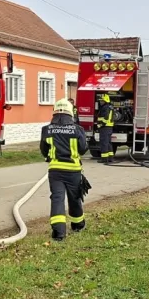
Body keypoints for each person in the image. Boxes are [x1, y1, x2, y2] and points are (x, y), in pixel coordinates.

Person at [40, 98, 88, 241]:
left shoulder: (47, 129)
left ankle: (59, 232)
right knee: (74, 198)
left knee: (57, 199)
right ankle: (78, 224)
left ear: (54, 112)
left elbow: (44, 150)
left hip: (55, 171)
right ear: (70, 112)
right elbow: (83, 149)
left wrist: (50, 156)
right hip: (73, 170)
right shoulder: (78, 129)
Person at [95, 93, 115, 164]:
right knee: (108, 143)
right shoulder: (110, 107)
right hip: (109, 127)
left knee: (104, 143)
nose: (101, 102)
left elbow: (105, 118)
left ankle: (104, 159)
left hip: (105, 127)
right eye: (100, 100)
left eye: (102, 101)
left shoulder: (105, 107)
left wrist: (100, 125)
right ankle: (110, 158)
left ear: (106, 100)